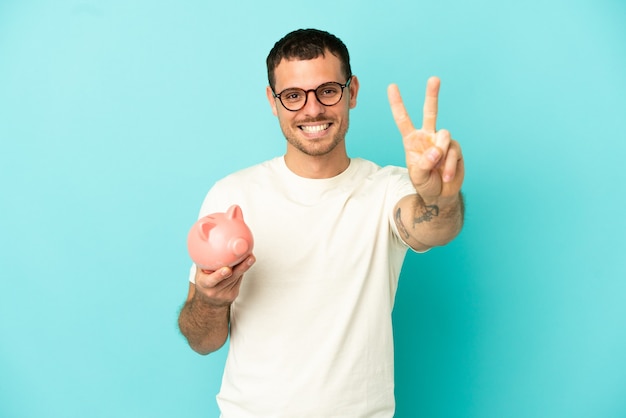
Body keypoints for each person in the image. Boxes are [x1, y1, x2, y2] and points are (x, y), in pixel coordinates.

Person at [178, 28, 465, 417]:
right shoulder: (232, 195)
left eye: (328, 90)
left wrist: (440, 196)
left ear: (352, 91)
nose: (312, 110)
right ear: (273, 101)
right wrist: (211, 302)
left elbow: (434, 226)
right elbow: (203, 341)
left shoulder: (388, 189)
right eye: (293, 96)